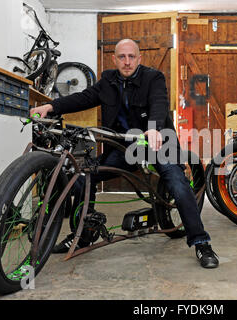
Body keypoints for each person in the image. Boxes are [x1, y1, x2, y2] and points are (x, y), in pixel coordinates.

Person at [30, 39, 219, 269]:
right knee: (82, 178)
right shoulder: (107, 80)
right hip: (124, 146)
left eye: (131, 57)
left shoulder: (153, 78)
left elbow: (159, 103)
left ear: (139, 58)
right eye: (122, 57)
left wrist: (154, 127)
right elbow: (83, 98)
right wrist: (51, 107)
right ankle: (83, 235)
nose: (127, 62)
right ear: (114, 59)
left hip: (157, 143)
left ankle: (201, 242)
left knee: (178, 183)